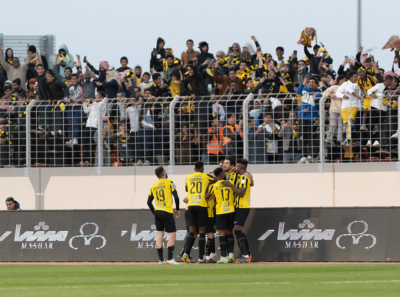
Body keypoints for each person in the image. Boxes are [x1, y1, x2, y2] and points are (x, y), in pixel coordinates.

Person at [181, 160, 215, 263]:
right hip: (201, 204)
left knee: (191, 231)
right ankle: (201, 257)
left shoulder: (189, 176)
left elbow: (186, 188)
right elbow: (216, 179)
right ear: (203, 169)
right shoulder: (206, 176)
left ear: (194, 168)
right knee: (202, 232)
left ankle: (185, 254)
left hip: (191, 205)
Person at [147, 166, 180, 265]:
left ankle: (161, 260)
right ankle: (170, 259)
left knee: (159, 235)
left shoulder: (153, 186)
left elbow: (148, 202)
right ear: (164, 174)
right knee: (172, 234)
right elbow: (176, 197)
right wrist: (177, 209)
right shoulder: (170, 183)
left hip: (158, 211)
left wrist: (154, 212)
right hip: (167, 211)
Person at [222, 158, 251, 263]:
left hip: (242, 207)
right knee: (239, 230)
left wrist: (230, 185)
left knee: (238, 230)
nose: (235, 168)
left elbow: (241, 193)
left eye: (238, 167)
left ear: (242, 168)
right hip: (238, 207)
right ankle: (247, 254)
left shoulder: (244, 178)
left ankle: (245, 255)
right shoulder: (240, 177)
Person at [207, 167, 235, 264]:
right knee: (229, 232)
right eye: (224, 173)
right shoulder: (230, 183)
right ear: (222, 174)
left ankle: (223, 257)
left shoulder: (214, 186)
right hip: (231, 210)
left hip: (220, 212)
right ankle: (231, 254)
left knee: (222, 235)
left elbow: (206, 196)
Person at [336, 71, 361, 148]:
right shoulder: (345, 84)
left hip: (354, 105)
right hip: (344, 106)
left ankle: (349, 139)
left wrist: (357, 95)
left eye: (357, 76)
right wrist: (343, 96)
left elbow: (361, 94)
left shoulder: (359, 84)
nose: (356, 78)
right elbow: (337, 93)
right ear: (350, 77)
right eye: (355, 76)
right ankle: (345, 139)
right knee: (345, 124)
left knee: (350, 121)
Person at [324, 75, 346, 146]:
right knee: (332, 125)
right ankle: (328, 140)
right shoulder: (334, 87)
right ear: (340, 81)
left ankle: (339, 141)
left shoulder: (347, 89)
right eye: (344, 80)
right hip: (334, 108)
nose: (345, 82)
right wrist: (330, 95)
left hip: (343, 109)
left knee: (340, 125)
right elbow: (324, 93)